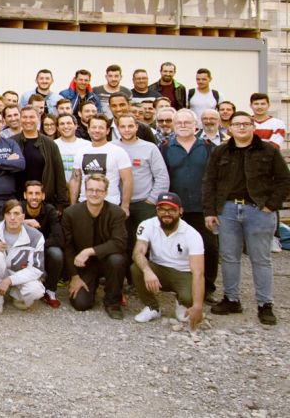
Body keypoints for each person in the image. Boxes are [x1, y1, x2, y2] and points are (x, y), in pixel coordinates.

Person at [203, 111, 289, 326]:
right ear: (229, 128)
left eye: (245, 124)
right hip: (228, 211)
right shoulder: (220, 151)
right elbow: (209, 182)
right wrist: (210, 211)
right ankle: (232, 299)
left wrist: (271, 205)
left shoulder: (268, 150)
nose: (241, 128)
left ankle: (264, 304)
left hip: (258, 210)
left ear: (253, 127)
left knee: (261, 259)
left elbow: (284, 180)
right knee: (230, 257)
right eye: (236, 124)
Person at [164, 109, 218, 300]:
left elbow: (215, 178)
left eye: (188, 122)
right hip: (175, 207)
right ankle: (178, 285)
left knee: (209, 247)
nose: (183, 126)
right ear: (173, 125)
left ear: (196, 125)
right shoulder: (165, 147)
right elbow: (162, 176)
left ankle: (208, 288)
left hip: (202, 207)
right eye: (179, 123)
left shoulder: (208, 147)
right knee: (176, 247)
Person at [131, 192, 204, 330]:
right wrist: (147, 271)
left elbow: (198, 272)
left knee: (190, 298)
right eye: (162, 209)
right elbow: (138, 252)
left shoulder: (192, 234)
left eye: (171, 209)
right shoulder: (147, 225)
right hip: (158, 269)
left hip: (183, 273)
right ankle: (152, 307)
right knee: (136, 268)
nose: (167, 213)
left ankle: (181, 301)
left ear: (180, 211)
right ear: (157, 210)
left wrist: (198, 306)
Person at [62, 173, 128, 318]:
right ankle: (91, 287)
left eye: (99, 190)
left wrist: (89, 251)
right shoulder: (70, 213)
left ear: (106, 192)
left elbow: (120, 243)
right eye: (90, 189)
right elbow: (68, 247)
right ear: (85, 191)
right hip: (85, 266)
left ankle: (112, 301)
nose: (94, 193)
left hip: (107, 261)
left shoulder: (116, 213)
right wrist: (74, 276)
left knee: (117, 259)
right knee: (81, 304)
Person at [114, 113, 170, 258]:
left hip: (144, 203)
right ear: (117, 128)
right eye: (123, 126)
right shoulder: (112, 147)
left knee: (145, 242)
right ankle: (127, 277)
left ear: (137, 127)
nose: (127, 130)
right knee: (123, 243)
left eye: (130, 126)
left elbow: (162, 176)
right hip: (118, 203)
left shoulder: (149, 148)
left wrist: (151, 200)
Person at [0, 199, 46, 314]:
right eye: (8, 214)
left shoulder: (35, 236)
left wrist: (9, 281)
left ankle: (16, 295)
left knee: (36, 291)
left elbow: (37, 269)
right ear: (4, 216)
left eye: (16, 214)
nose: (12, 218)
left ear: (23, 217)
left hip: (19, 272)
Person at [70, 116, 134, 208]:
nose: (97, 130)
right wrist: (73, 205)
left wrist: (125, 206)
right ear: (88, 129)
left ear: (107, 131)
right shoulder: (81, 151)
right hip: (84, 203)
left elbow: (127, 180)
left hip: (111, 204)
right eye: (94, 127)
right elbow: (75, 180)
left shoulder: (118, 151)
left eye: (101, 127)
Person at [14, 106, 70, 210]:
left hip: (45, 202)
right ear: (20, 119)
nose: (28, 120)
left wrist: (61, 204)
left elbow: (59, 175)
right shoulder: (11, 142)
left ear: (38, 118)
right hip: (18, 202)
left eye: (31, 117)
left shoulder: (50, 144)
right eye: (24, 117)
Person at [22, 180, 64, 308]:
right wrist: (24, 222)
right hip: (21, 250)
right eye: (30, 193)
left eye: (37, 193)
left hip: (43, 249)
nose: (34, 197)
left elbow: (59, 238)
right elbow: (1, 225)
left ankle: (50, 290)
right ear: (25, 195)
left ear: (43, 196)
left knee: (56, 253)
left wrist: (38, 246)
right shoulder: (18, 208)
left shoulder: (50, 210)